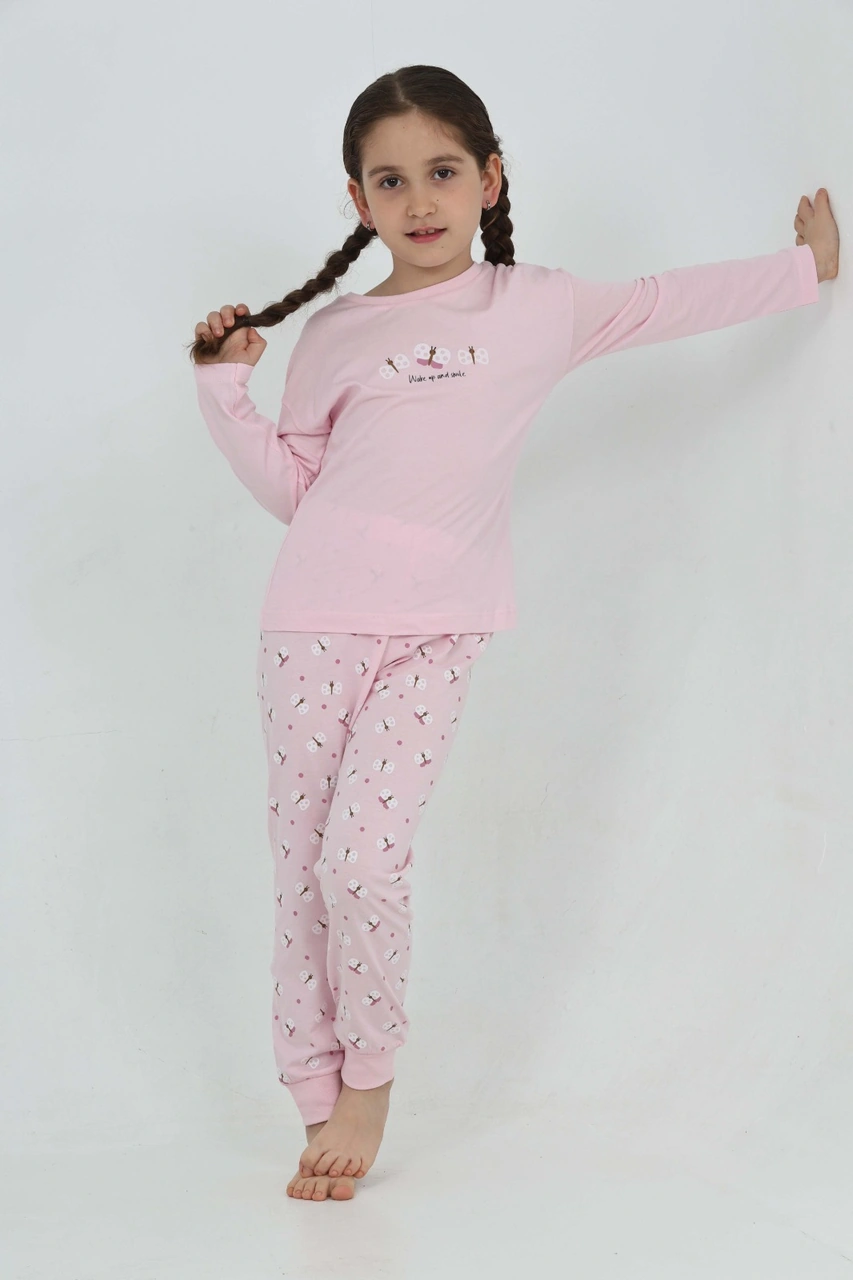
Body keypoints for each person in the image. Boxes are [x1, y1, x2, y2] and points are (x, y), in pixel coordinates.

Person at [187, 64, 839, 1204]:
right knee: (301, 872)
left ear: (489, 179)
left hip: (437, 630)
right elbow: (299, 489)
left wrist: (805, 268)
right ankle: (308, 1082)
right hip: (308, 624)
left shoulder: (534, 306)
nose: (420, 200)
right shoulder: (333, 333)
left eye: (442, 172)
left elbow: (665, 300)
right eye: (392, 181)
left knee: (360, 862)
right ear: (358, 201)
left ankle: (368, 1076)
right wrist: (222, 392)